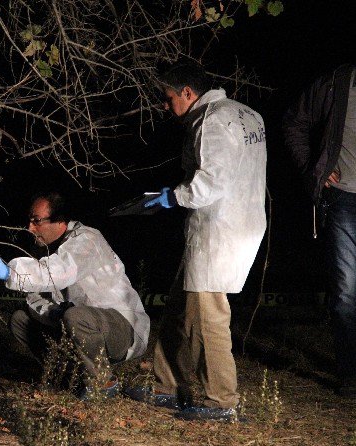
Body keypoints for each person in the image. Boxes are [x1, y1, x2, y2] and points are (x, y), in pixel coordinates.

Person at [129, 60, 267, 421]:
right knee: (180, 304)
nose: (165, 105)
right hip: (243, 221)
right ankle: (166, 385)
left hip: (219, 229)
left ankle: (220, 400)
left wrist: (170, 197)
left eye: (168, 97)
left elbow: (210, 183)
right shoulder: (248, 114)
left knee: (208, 314)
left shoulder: (213, 120)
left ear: (188, 93)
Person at [0, 191, 150, 400]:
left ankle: (103, 382)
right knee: (20, 320)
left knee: (76, 317)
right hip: (81, 325)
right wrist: (56, 312)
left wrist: (10, 272)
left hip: (122, 328)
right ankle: (69, 379)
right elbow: (35, 298)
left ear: (59, 221)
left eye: (37, 221)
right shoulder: (46, 248)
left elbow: (57, 272)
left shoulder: (87, 240)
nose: (30, 228)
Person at [282, 63, 356, 398]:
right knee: (345, 293)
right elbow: (294, 124)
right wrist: (315, 169)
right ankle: (350, 376)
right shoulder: (335, 82)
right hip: (344, 200)